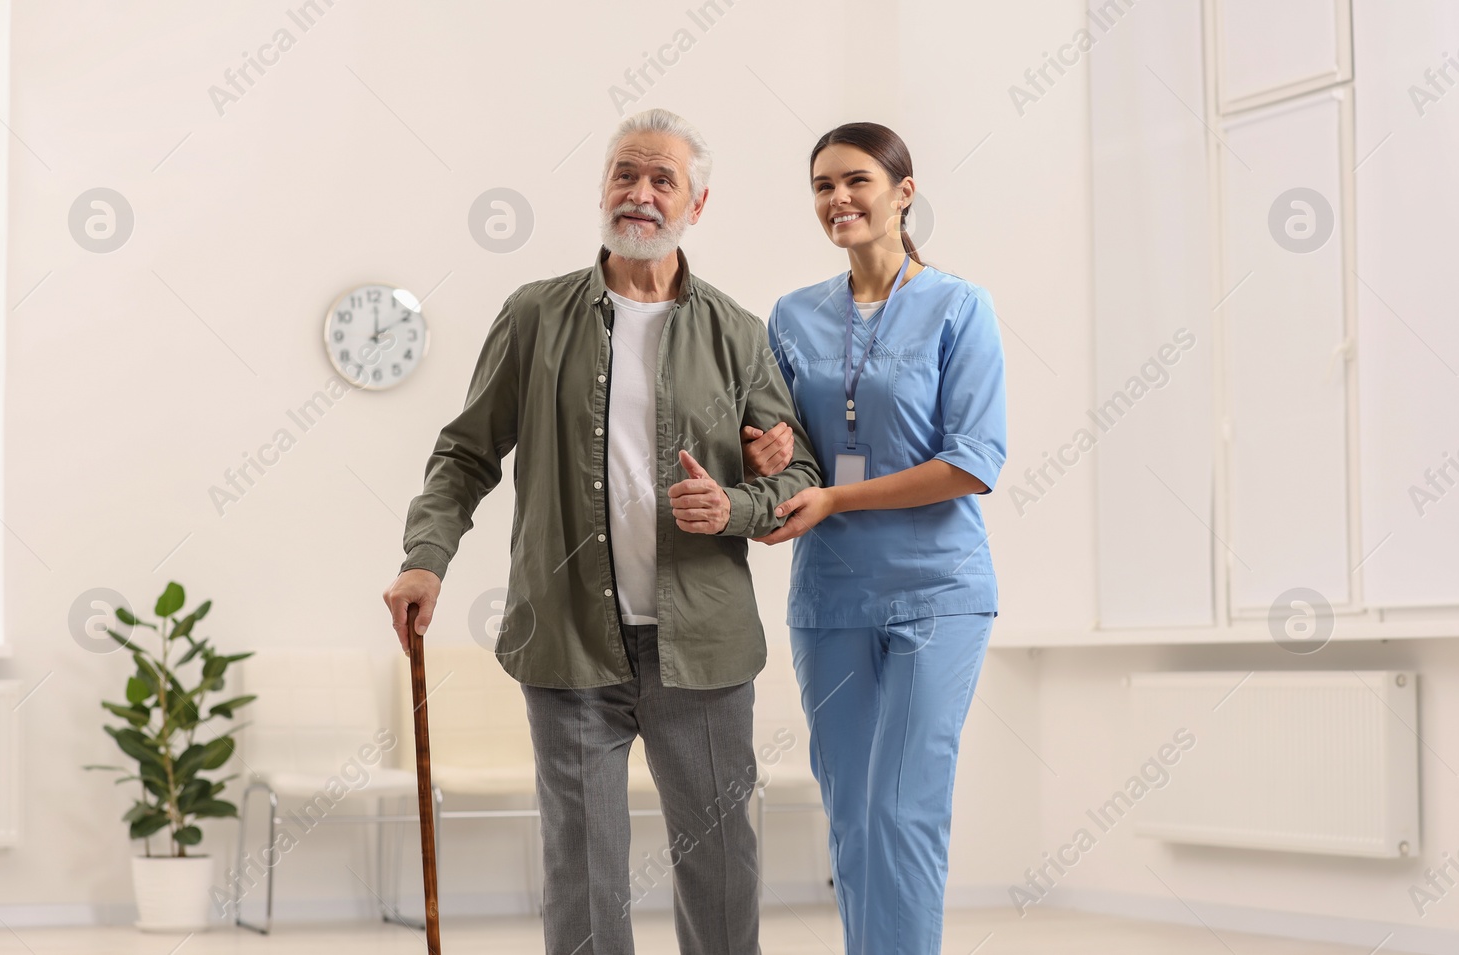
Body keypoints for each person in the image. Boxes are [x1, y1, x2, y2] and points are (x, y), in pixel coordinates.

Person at [383, 107, 822, 955]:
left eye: (664, 179)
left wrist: (739, 504)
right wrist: (425, 559)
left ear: (699, 203)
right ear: (603, 190)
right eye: (627, 173)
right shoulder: (536, 315)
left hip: (703, 646)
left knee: (722, 862)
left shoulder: (739, 333)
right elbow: (466, 452)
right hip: (569, 638)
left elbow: (795, 474)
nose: (642, 192)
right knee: (583, 873)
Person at [740, 121, 1008, 954]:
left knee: (905, 805)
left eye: (857, 180)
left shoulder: (959, 306)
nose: (838, 198)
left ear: (904, 191)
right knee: (853, 813)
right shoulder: (792, 314)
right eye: (823, 185)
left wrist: (837, 499)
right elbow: (785, 448)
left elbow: (972, 461)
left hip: (938, 589)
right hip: (830, 596)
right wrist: (769, 454)